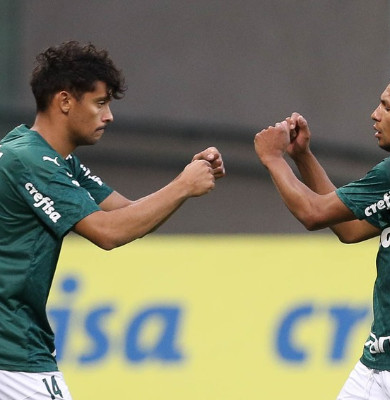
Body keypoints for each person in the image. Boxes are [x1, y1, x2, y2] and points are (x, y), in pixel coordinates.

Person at [0, 41, 225, 399]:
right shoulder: (30, 160)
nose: (109, 116)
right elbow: (107, 232)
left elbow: (126, 213)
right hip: (12, 352)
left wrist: (186, 182)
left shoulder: (48, 158)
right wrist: (183, 185)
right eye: (100, 103)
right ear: (65, 101)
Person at [254, 66, 390, 400]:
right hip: (380, 361)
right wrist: (303, 157)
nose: (375, 115)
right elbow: (350, 229)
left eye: (387, 107)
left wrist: (273, 158)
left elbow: (313, 213)